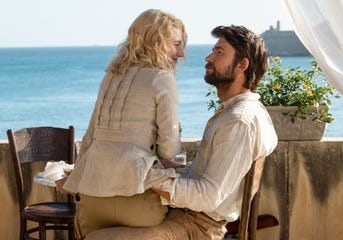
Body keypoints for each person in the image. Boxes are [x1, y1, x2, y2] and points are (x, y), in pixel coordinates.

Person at [83, 25, 278, 240]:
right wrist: (171, 170)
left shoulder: (239, 122)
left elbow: (208, 196)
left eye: (219, 52)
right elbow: (207, 177)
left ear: (242, 65)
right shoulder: (237, 113)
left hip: (197, 227)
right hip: (188, 217)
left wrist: (148, 176)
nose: (208, 57)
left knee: (97, 237)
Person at [56, 9, 187, 239]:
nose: (181, 52)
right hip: (137, 200)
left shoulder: (111, 75)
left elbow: (90, 136)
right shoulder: (162, 78)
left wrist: (77, 175)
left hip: (93, 200)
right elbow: (168, 148)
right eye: (176, 44)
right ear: (156, 41)